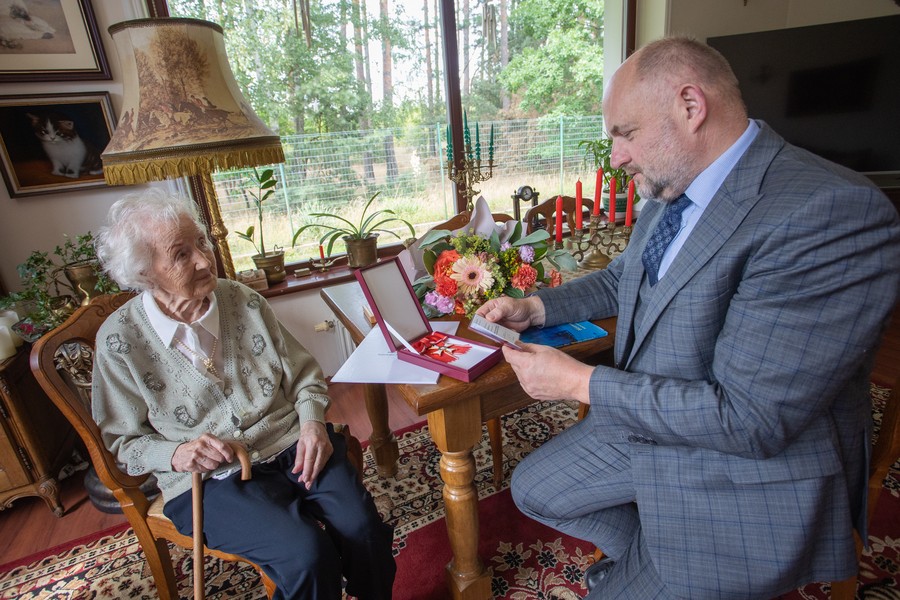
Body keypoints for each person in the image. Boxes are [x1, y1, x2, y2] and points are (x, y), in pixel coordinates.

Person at [477, 36, 900, 599]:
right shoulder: (670, 190)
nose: (617, 157)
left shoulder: (829, 211)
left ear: (691, 106)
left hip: (738, 467)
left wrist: (580, 381)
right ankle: (650, 559)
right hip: (655, 422)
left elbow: (750, 421)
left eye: (625, 134)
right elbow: (621, 277)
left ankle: (651, 573)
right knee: (533, 488)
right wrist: (535, 306)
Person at [92, 189, 395, 600]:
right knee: (305, 553)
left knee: (364, 529)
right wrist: (177, 455)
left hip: (292, 444)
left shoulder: (241, 299)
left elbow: (305, 376)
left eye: (202, 242)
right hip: (210, 480)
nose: (203, 259)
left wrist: (312, 425)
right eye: (181, 254)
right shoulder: (119, 340)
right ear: (145, 273)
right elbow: (123, 442)